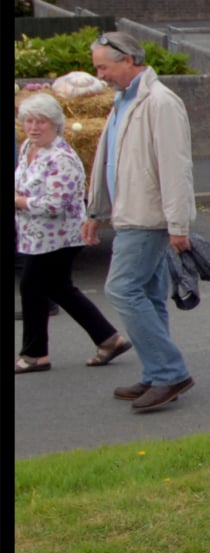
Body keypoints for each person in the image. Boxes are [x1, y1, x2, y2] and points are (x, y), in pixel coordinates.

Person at [83, 31, 196, 412]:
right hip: (130, 212)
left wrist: (179, 223)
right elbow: (107, 161)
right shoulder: (123, 101)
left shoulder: (160, 102)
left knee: (121, 289)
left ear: (128, 60)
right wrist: (96, 211)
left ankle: (168, 371)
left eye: (104, 66)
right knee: (146, 294)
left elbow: (175, 166)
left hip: (146, 216)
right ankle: (156, 373)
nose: (100, 74)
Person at [15, 91, 126, 373]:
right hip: (33, 235)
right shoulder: (28, 146)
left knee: (32, 287)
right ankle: (108, 338)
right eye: (29, 120)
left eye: (41, 122)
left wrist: (18, 201)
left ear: (56, 124)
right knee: (57, 287)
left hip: (59, 236)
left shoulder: (61, 157)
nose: (34, 127)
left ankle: (34, 355)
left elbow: (54, 204)